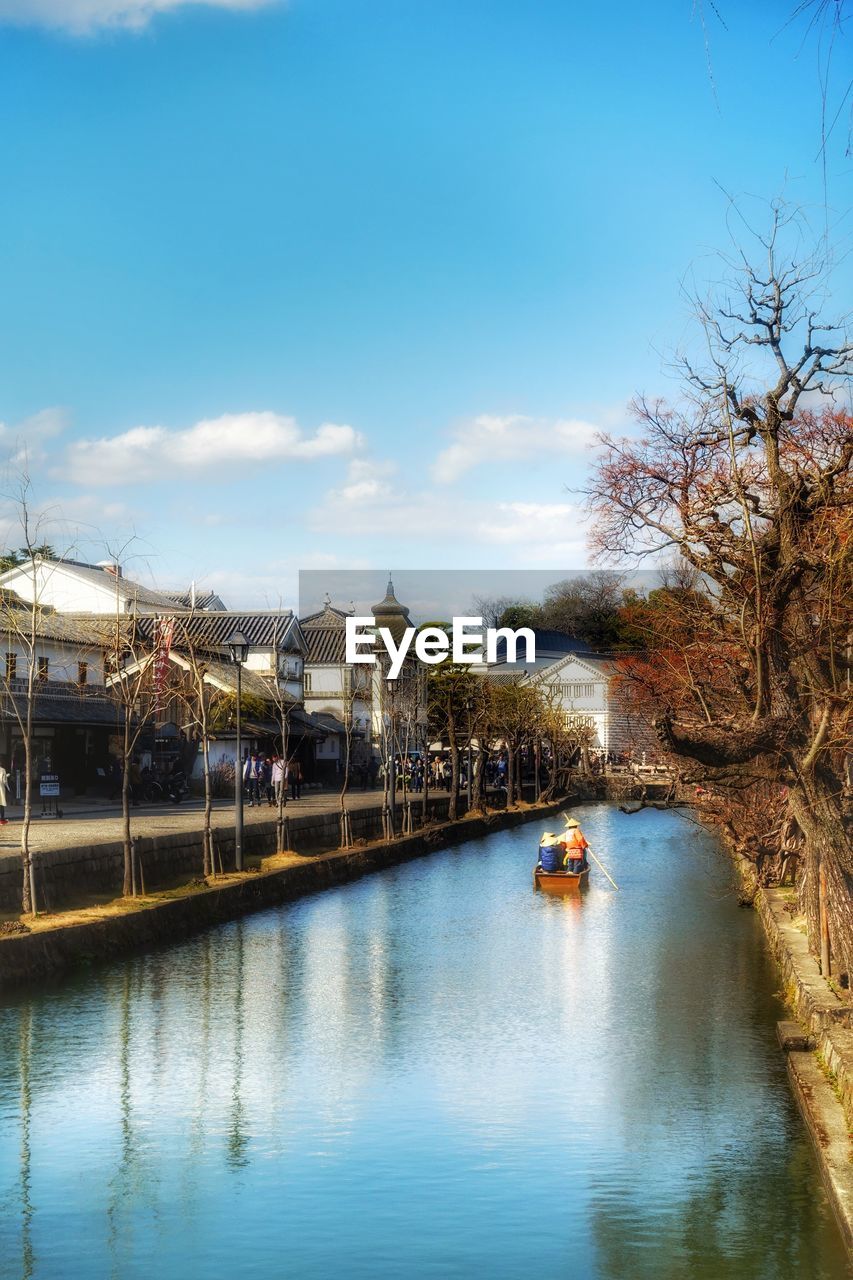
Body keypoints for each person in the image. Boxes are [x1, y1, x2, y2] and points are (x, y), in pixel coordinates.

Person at [0, 758, 8, 825]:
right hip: (1, 789)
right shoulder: (3, 770)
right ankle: (2, 820)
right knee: (1, 804)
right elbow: (4, 781)